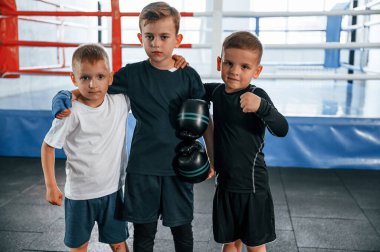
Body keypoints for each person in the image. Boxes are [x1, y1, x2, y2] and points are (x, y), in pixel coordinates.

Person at [51, 2, 214, 252]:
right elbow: (96, 83)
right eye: (149, 36)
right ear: (140, 38)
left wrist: (213, 158)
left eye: (164, 37)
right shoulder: (131, 74)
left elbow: (205, 119)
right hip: (142, 169)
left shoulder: (188, 75)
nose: (156, 44)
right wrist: (64, 94)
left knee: (183, 230)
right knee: (143, 233)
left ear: (177, 39)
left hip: (178, 168)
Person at [204, 31, 288, 252]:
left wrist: (262, 106)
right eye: (229, 63)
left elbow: (282, 128)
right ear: (219, 63)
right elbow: (188, 87)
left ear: (257, 71)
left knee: (254, 244)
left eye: (244, 67)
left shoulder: (257, 94)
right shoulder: (216, 92)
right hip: (225, 184)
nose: (234, 71)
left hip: (252, 187)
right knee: (230, 241)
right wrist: (178, 64)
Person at [41, 43, 130, 252]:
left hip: (113, 191)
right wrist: (51, 186)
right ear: (74, 79)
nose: (92, 84)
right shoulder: (70, 113)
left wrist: (174, 62)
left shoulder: (120, 102)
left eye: (100, 77)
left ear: (110, 77)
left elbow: (152, 85)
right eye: (85, 78)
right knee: (78, 247)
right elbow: (48, 147)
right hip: (80, 194)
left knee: (119, 245)